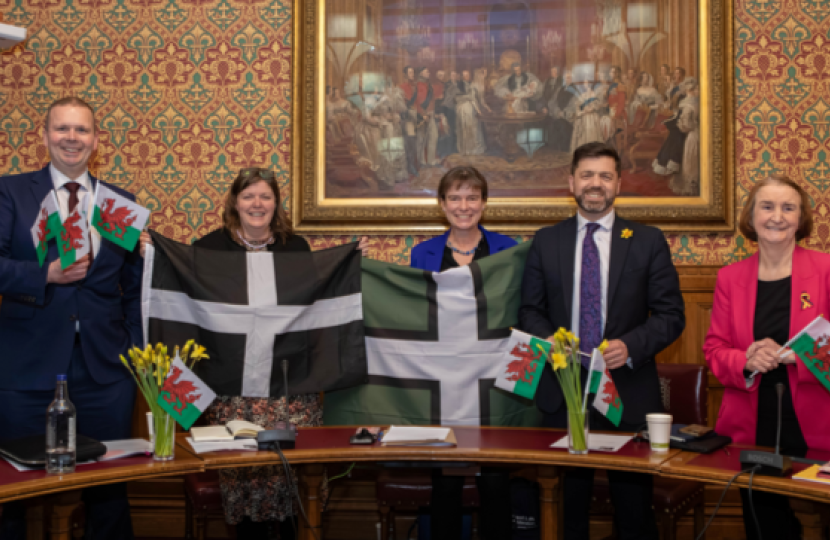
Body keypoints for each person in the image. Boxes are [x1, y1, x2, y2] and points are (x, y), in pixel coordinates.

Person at [519, 142, 685, 540]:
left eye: (605, 176)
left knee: (632, 511)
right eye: (588, 175)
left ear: (618, 184)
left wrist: (631, 346)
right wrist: (549, 341)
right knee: (565, 510)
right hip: (563, 393)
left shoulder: (646, 240)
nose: (596, 184)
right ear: (571, 181)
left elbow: (671, 316)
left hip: (627, 391)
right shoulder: (546, 240)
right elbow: (529, 310)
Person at [141, 168, 315, 539]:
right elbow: (187, 306)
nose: (257, 204)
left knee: (287, 484)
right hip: (230, 387)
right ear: (235, 202)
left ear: (276, 203)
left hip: (285, 388)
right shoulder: (209, 249)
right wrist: (157, 256)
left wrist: (352, 258)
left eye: (265, 196)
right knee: (243, 485)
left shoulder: (295, 248)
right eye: (249, 195)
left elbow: (315, 306)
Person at [0, 97, 142, 539]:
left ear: (96, 141)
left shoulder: (121, 203)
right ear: (44, 137)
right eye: (62, 129)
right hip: (27, 366)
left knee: (109, 492)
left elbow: (134, 289)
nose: (71, 138)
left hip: (104, 371)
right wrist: (47, 274)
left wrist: (134, 352)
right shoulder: (11, 192)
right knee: (13, 494)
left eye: (81, 130)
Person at [704, 175, 830, 540]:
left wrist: (797, 358)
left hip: (817, 422)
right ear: (752, 215)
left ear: (801, 217)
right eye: (767, 206)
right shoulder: (730, 277)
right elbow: (714, 349)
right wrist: (746, 359)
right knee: (766, 527)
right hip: (752, 424)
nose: (777, 216)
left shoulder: (825, 271)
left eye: (788, 207)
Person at [409, 166, 516, 540]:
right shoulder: (422, 254)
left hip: (493, 383)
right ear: (441, 204)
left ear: (484, 203)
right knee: (447, 484)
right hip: (445, 384)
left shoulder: (509, 250)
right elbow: (412, 315)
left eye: (472, 197)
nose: (463, 205)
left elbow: (521, 314)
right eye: (455, 197)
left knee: (496, 483)